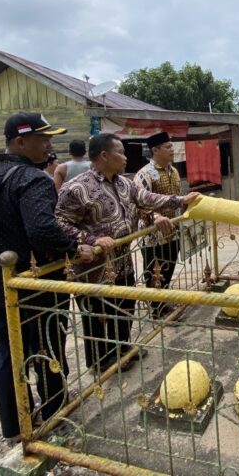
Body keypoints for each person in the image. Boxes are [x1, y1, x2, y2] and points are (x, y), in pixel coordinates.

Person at [0, 112, 95, 443]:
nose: (50, 146)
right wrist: (76, 248)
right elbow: (42, 231)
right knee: (49, 347)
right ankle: (53, 414)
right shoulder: (32, 179)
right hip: (37, 285)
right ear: (20, 142)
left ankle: (15, 425)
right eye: (43, 139)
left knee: (9, 352)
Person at [55, 133, 199, 373]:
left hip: (122, 260)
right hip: (94, 268)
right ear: (104, 155)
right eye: (120, 152)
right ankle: (101, 361)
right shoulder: (77, 187)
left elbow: (147, 199)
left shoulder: (125, 183)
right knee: (98, 315)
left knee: (124, 306)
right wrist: (91, 240)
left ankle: (123, 348)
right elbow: (59, 222)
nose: (125, 157)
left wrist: (181, 200)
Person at [133, 132, 184, 318]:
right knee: (154, 270)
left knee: (168, 267)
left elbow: (177, 197)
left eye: (172, 146)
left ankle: (163, 302)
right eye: (168, 147)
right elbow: (138, 202)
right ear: (155, 150)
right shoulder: (145, 174)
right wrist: (154, 216)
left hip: (173, 230)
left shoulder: (174, 171)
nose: (172, 150)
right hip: (153, 234)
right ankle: (156, 308)